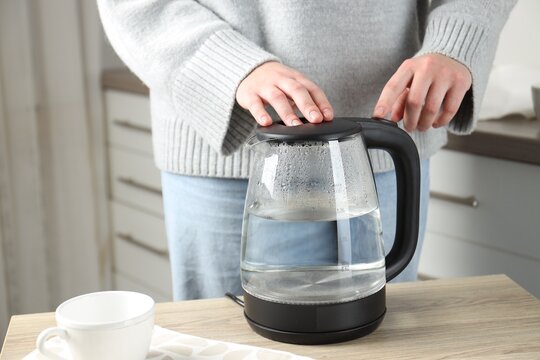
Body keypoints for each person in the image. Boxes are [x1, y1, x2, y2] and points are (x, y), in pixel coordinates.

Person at [98, 0, 516, 300]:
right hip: (234, 150)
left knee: (383, 340)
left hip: (389, 144)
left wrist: (458, 40)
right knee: (230, 341)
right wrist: (230, 66)